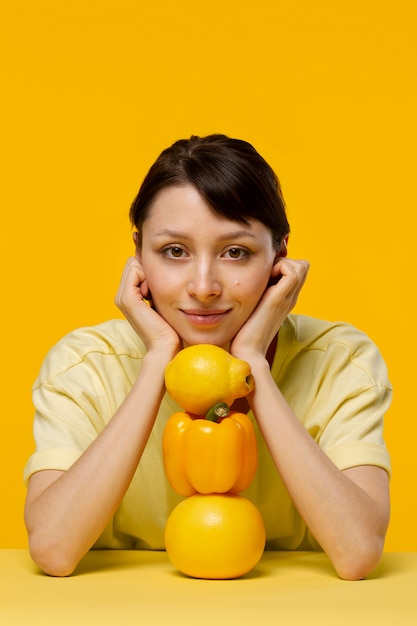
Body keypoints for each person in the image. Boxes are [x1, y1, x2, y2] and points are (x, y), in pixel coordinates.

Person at [24, 134, 391, 580]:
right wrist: (158, 359)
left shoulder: (339, 361)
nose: (203, 286)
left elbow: (357, 553)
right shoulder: (84, 366)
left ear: (279, 257)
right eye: (174, 252)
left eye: (235, 252)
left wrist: (250, 362)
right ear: (138, 254)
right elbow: (53, 549)